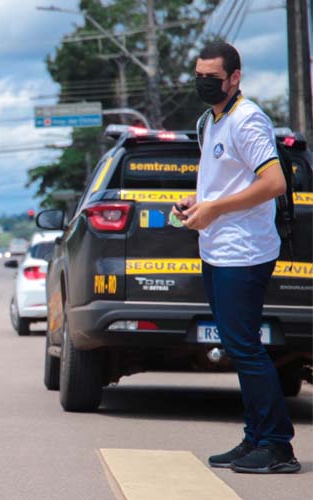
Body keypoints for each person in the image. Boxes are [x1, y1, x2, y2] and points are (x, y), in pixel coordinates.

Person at [173, 41, 299, 474]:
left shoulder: (247, 120)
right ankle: (255, 438)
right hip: (217, 247)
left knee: (245, 346)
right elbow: (224, 184)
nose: (203, 83)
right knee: (236, 344)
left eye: (212, 77)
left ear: (235, 77)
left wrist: (215, 209)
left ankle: (279, 445)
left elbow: (274, 183)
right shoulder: (210, 121)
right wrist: (197, 203)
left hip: (245, 251)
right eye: (198, 75)